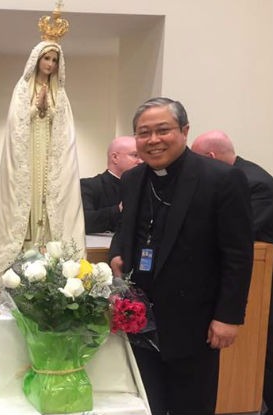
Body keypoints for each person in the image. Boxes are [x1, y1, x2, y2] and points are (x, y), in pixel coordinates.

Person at [109, 97, 253, 414]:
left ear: (184, 131)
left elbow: (238, 255)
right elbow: (124, 227)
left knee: (192, 405)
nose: (153, 140)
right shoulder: (132, 179)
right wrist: (117, 252)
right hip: (140, 316)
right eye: (143, 133)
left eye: (163, 130)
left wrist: (228, 317)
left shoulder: (221, 179)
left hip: (195, 321)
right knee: (147, 402)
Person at [0, 37, 86, 290]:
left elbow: (64, 130)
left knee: (50, 202)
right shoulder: (23, 89)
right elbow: (16, 125)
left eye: (54, 60)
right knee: (26, 204)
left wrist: (48, 112)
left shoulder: (60, 93)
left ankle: (52, 264)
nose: (49, 64)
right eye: (46, 59)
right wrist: (33, 109)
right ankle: (18, 267)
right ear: (36, 60)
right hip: (29, 157)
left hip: (50, 156)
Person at [192, 129, 273, 410]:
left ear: (211, 157)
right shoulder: (229, 177)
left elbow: (241, 234)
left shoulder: (256, 183)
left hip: (262, 281)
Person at [80, 135, 141, 233]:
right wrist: (119, 209)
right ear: (115, 157)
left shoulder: (146, 187)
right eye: (135, 155)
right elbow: (84, 222)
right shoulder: (89, 186)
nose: (141, 161)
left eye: (143, 156)